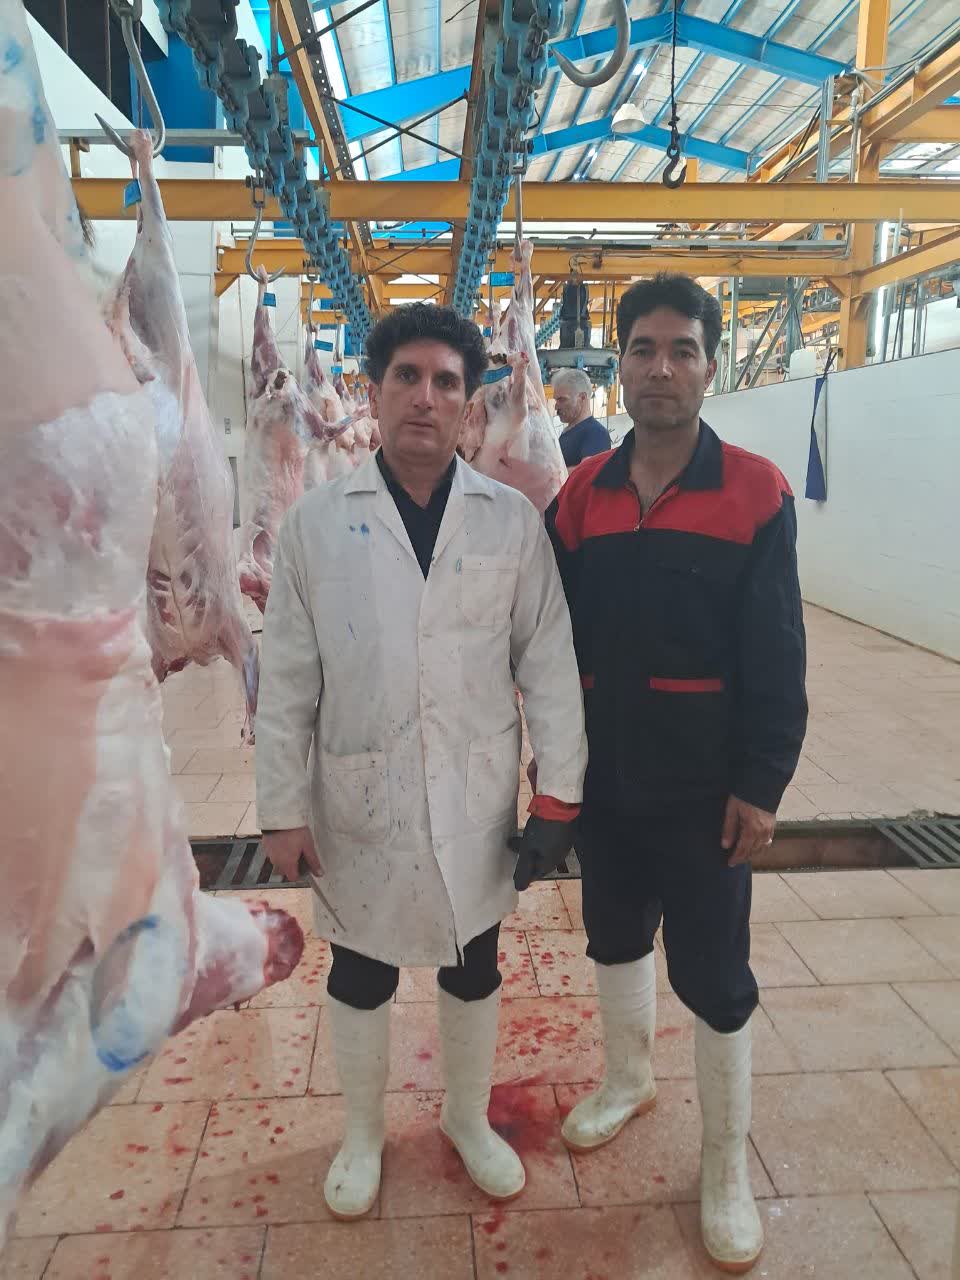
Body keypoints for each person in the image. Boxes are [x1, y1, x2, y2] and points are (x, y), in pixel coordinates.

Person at [255, 303, 586, 1220]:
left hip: (473, 798)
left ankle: (465, 1118)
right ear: (374, 391)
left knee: (472, 962)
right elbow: (287, 677)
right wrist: (280, 807)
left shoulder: (509, 520)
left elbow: (548, 660)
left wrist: (560, 794)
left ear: (469, 402)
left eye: (446, 382)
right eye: (407, 376)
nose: (425, 398)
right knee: (359, 969)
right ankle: (363, 1134)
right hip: (359, 789)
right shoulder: (317, 523)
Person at [539, 273, 807, 1273]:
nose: (661, 367)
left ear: (709, 365)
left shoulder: (756, 491)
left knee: (714, 975)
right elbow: (549, 642)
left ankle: (724, 1163)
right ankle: (628, 1078)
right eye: (643, 349)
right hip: (606, 782)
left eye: (681, 349)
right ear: (620, 364)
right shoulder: (581, 496)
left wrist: (761, 784)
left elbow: (778, 652)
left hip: (706, 794)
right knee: (613, 937)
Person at [551, 368, 610, 467]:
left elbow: (588, 470)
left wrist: (551, 474)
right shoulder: (568, 432)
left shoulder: (596, 432)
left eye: (562, 399)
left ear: (582, 398)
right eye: (556, 400)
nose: (556, 407)